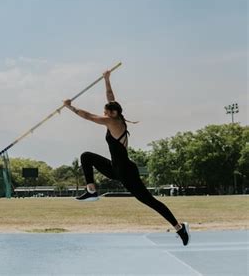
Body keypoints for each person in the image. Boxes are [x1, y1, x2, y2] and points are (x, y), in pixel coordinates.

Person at [63, 70, 190, 246]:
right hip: (116, 169)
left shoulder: (113, 122)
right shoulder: (115, 116)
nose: (104, 114)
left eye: (106, 112)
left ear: (112, 114)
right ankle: (91, 190)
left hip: (127, 173)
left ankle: (179, 227)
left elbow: (88, 116)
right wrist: (107, 79)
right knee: (86, 157)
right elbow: (110, 98)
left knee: (149, 201)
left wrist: (70, 107)